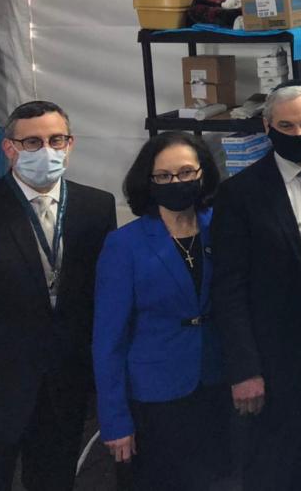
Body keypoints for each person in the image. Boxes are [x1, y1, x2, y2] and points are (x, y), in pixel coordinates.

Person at [212, 81, 301, 491]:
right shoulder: (239, 194)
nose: (298, 134)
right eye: (286, 126)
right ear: (267, 127)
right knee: (274, 463)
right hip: (275, 353)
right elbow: (228, 288)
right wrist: (244, 370)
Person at [0, 100, 116, 491]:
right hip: (0, 379)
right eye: (32, 142)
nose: (46, 150)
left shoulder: (97, 206)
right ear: (9, 148)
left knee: (54, 478)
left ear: (70, 144)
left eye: (56, 140)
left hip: (66, 377)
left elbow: (100, 293)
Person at [92, 132, 229, 491]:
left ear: (203, 173)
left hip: (217, 383)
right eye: (164, 176)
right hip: (154, 396)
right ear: (148, 181)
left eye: (186, 173)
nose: (176, 182)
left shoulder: (223, 227)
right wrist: (115, 420)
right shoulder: (124, 245)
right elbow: (108, 341)